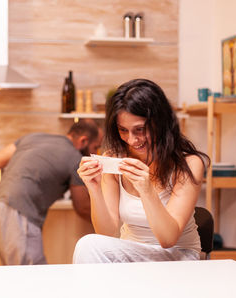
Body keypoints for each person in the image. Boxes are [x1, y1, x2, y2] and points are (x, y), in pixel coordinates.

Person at [73, 78, 209, 263]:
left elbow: (168, 239)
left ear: (160, 123)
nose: (132, 140)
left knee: (88, 246)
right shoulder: (114, 159)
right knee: (88, 244)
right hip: (131, 256)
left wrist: (146, 190)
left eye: (140, 129)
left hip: (178, 256)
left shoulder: (189, 164)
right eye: (123, 130)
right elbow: (107, 233)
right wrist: (94, 188)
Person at [0, 119, 102, 265]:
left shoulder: (33, 138)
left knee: (20, 275)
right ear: (83, 141)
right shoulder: (75, 158)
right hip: (19, 214)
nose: (95, 154)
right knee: (34, 278)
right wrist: (108, 221)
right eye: (95, 147)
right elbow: (82, 207)